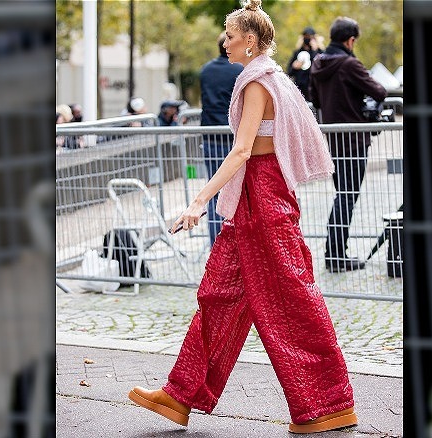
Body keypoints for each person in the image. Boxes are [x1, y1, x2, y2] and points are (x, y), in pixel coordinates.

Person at [127, 0, 357, 433]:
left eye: (230, 35)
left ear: (250, 41)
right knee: (219, 295)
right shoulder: (269, 77)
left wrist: (198, 201)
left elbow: (242, 150)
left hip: (264, 199)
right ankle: (181, 394)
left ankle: (328, 403)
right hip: (258, 197)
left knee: (294, 299)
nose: (225, 42)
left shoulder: (257, 83)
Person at [309, 16, 387, 273]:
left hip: (333, 140)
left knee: (342, 195)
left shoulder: (317, 64)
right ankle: (335, 256)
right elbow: (379, 91)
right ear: (350, 40)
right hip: (354, 140)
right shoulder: (349, 64)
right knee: (347, 197)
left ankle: (335, 253)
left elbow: (315, 101)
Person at [199, 32, 243, 247]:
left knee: (215, 193)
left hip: (209, 136)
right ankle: (237, 244)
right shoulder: (239, 70)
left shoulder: (206, 70)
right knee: (238, 193)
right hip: (233, 137)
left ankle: (217, 245)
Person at [286, 27, 323, 101]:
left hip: (314, 91)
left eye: (310, 37)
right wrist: (294, 67)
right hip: (300, 90)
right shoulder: (297, 52)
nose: (308, 39)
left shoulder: (319, 53)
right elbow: (289, 73)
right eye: (306, 36)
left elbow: (320, 67)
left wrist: (314, 51)